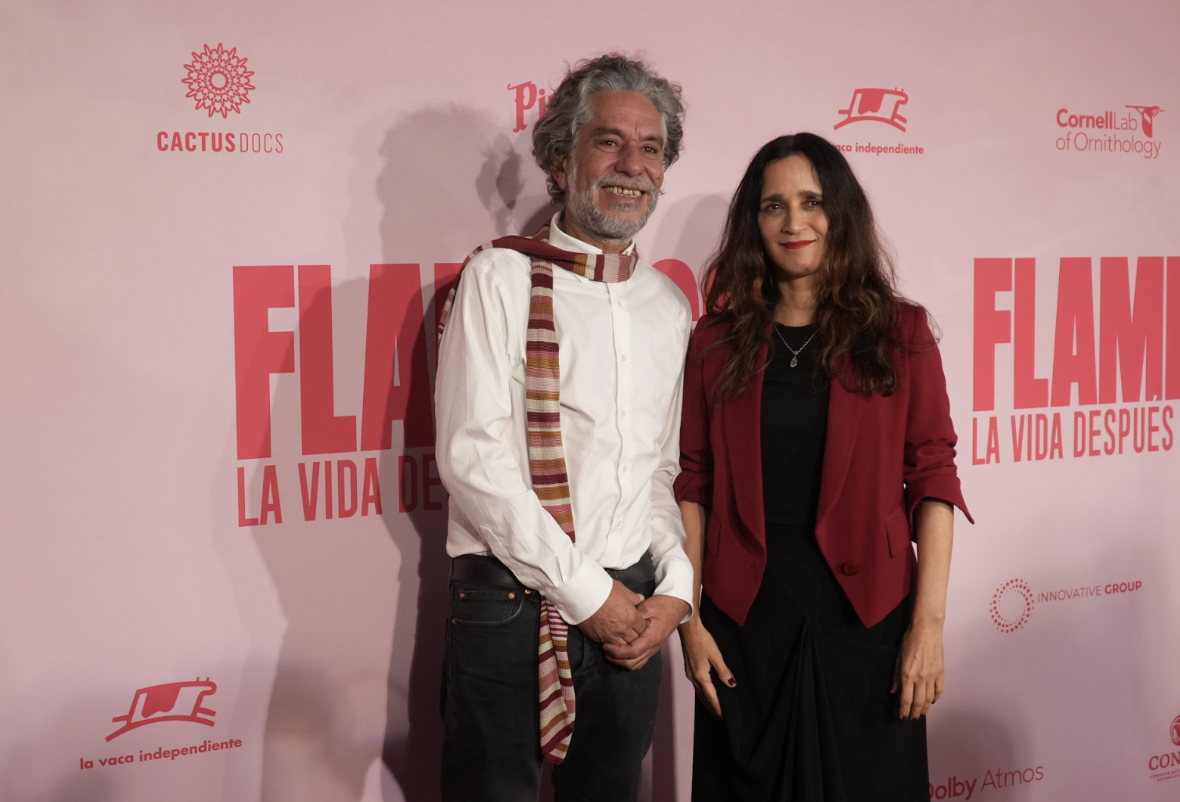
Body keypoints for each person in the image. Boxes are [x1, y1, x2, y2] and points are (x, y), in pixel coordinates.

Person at [674, 133, 973, 801]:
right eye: (773, 206)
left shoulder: (901, 333)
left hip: (869, 623)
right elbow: (694, 483)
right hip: (743, 625)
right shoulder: (713, 343)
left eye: (811, 201)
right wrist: (689, 622)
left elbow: (933, 478)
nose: (794, 222)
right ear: (754, 223)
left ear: (840, 212)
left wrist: (927, 627)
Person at [434, 54, 694, 802]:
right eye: (608, 142)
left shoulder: (667, 306)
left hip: (635, 610)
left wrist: (674, 583)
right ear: (559, 157)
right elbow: (472, 460)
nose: (631, 166)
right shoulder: (498, 280)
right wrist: (590, 595)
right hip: (508, 605)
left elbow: (657, 471)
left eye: (650, 149)